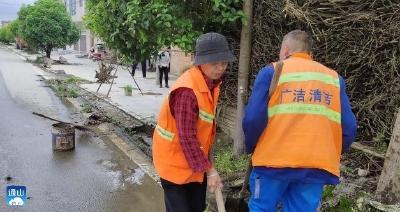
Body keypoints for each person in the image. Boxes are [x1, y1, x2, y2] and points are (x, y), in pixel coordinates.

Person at [243, 30, 357, 211]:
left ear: (286, 49)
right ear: (310, 54)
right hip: (315, 166)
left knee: (261, 208)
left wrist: (250, 146)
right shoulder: (334, 79)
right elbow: (349, 127)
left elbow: (252, 119)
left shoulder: (271, 72)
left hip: (272, 162)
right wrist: (333, 151)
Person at [152, 32, 235, 212]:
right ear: (200, 62)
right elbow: (187, 137)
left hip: (194, 163)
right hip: (174, 164)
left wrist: (207, 167)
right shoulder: (187, 92)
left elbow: (203, 128)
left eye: (224, 62)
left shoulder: (210, 84)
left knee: (197, 207)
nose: (220, 67)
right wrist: (210, 171)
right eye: (215, 63)